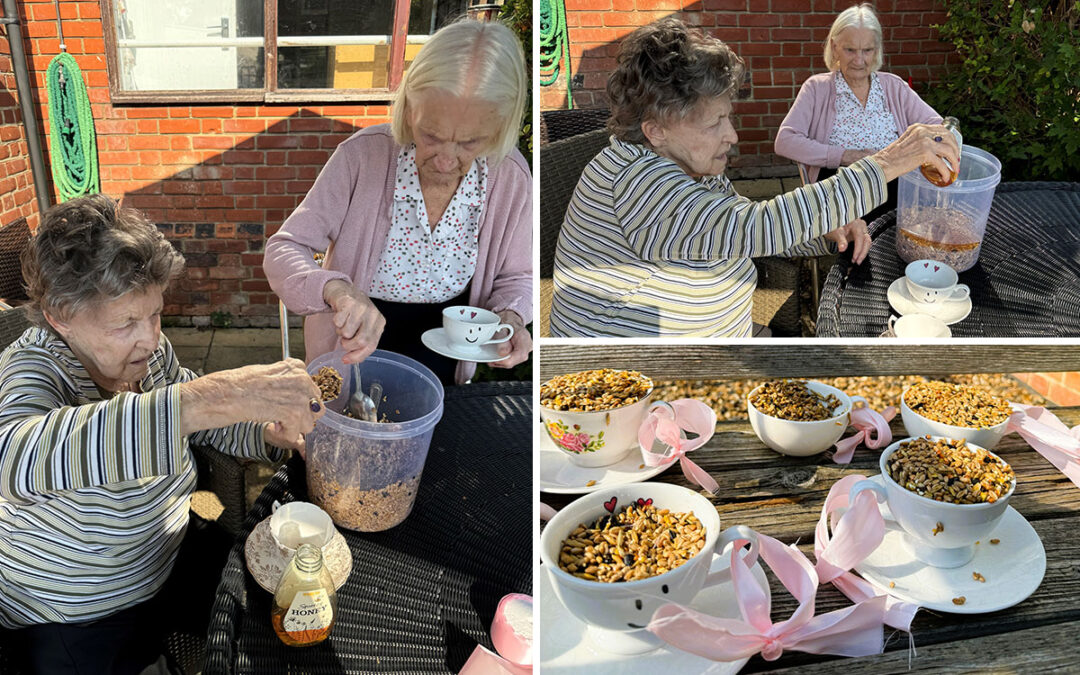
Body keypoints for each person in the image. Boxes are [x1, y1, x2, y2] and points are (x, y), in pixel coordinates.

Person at [0, 195, 325, 674]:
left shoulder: (148, 353)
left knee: (273, 617)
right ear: (60, 315)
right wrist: (214, 397)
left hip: (173, 548)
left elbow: (192, 415)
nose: (151, 338)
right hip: (83, 610)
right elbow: (14, 458)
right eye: (126, 323)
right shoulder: (30, 369)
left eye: (154, 313)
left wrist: (265, 433)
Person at [549, 17, 957, 338]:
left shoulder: (680, 163)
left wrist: (822, 228)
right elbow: (755, 226)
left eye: (727, 118)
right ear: (656, 129)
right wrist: (888, 162)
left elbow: (732, 222)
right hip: (644, 370)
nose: (732, 136)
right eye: (714, 123)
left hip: (720, 331)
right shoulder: (637, 182)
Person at [264, 18, 532, 385]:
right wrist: (336, 290)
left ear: (500, 128)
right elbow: (283, 249)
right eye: (431, 135)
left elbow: (519, 277)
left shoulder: (509, 176)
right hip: (349, 357)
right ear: (408, 109)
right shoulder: (361, 157)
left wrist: (512, 317)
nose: (445, 160)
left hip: (447, 363)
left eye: (470, 142)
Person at [775, 3, 944, 233]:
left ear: (877, 50)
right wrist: (846, 155)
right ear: (834, 47)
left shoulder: (893, 87)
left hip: (894, 184)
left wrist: (916, 148)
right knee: (867, 233)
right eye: (850, 50)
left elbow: (938, 127)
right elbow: (785, 141)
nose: (859, 60)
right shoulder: (816, 88)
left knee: (918, 225)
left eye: (867, 50)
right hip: (842, 188)